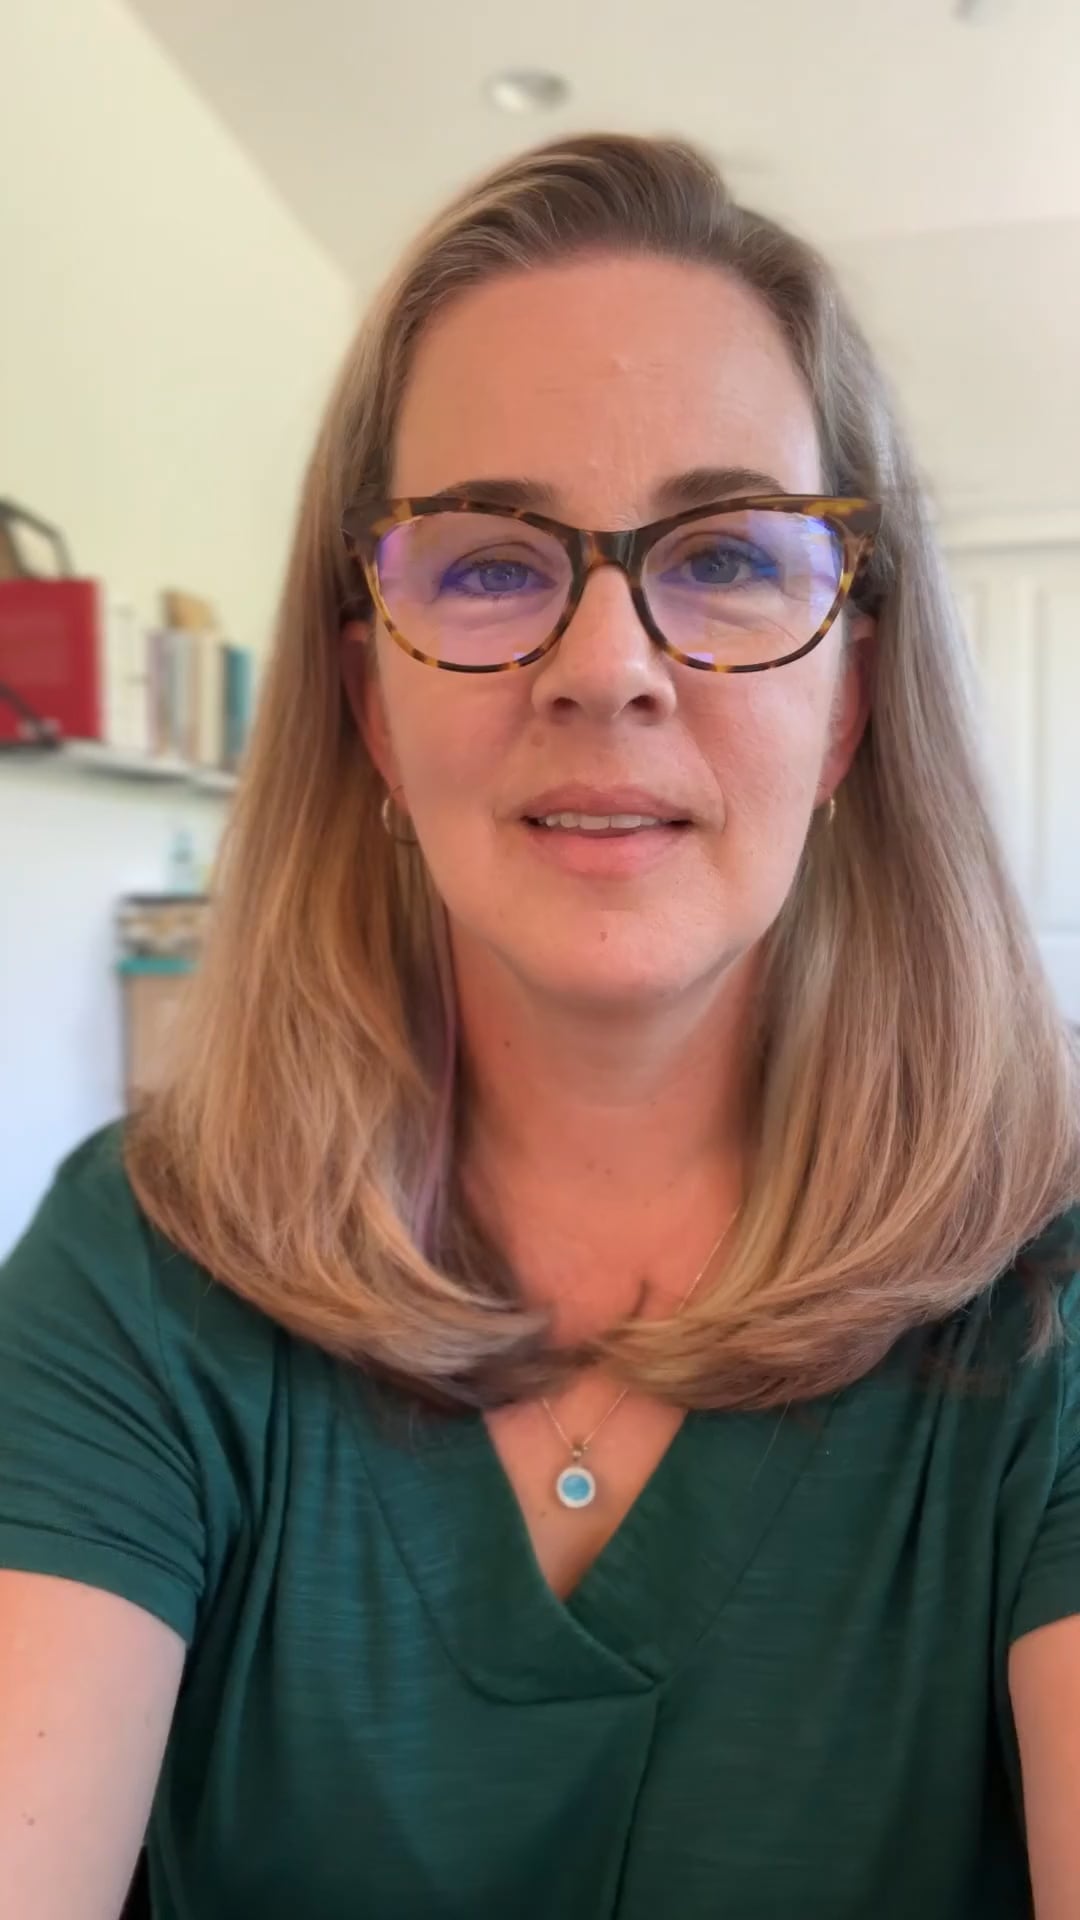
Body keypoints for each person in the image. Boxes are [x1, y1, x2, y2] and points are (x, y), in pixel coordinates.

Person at [1, 132, 1079, 1920]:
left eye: (726, 554)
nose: (606, 666)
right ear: (370, 699)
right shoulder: (138, 1269)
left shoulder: (1051, 1289)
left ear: (850, 705)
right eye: (492, 565)